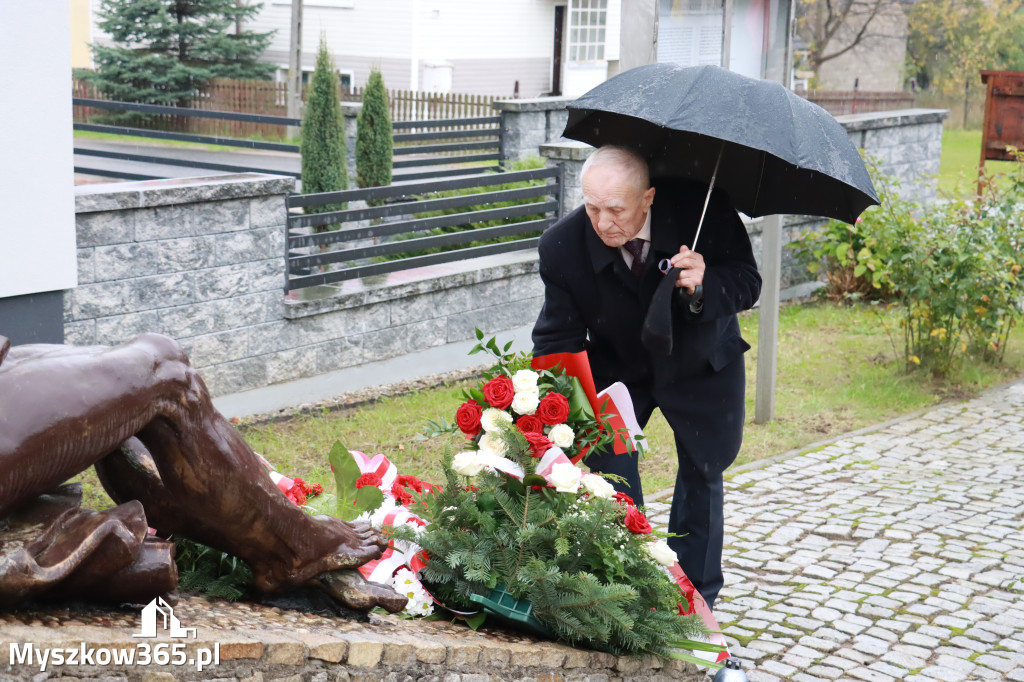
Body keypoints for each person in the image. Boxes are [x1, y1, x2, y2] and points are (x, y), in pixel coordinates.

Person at [531, 145, 761, 609]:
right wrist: (554, 413)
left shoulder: (702, 207)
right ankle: (624, 590)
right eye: (592, 207)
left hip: (701, 365)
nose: (602, 223)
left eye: (616, 210)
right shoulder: (562, 246)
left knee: (702, 473)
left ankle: (694, 604)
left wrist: (705, 282)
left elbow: (747, 281)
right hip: (621, 369)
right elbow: (557, 340)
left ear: (648, 197)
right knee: (608, 472)